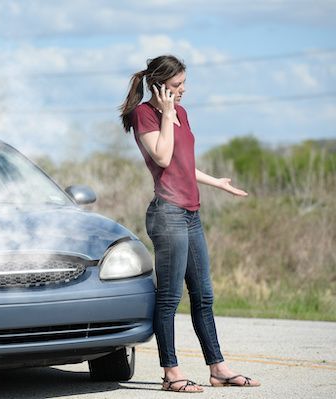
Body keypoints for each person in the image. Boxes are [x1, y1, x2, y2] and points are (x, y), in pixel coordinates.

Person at [119, 55, 260, 393]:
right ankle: (171, 371)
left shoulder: (181, 112)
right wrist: (166, 114)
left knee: (204, 295)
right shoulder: (146, 115)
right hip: (167, 215)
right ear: (158, 86)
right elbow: (163, 157)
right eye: (176, 86)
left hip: (190, 214)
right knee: (169, 298)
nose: (183, 91)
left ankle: (218, 368)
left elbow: (183, 165)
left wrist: (216, 182)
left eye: (184, 84)